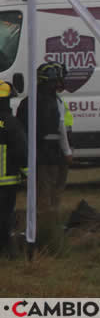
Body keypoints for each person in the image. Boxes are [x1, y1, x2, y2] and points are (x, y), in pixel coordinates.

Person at [17, 62, 72, 215]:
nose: (61, 83)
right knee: (50, 194)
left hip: (42, 155)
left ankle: (48, 224)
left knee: (45, 193)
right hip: (50, 155)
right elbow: (60, 127)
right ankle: (46, 227)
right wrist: (67, 151)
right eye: (59, 80)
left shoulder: (28, 101)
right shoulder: (51, 102)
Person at [0, 81, 27, 259]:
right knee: (4, 215)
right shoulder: (11, 123)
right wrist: (28, 173)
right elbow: (21, 151)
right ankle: (6, 250)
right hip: (6, 182)